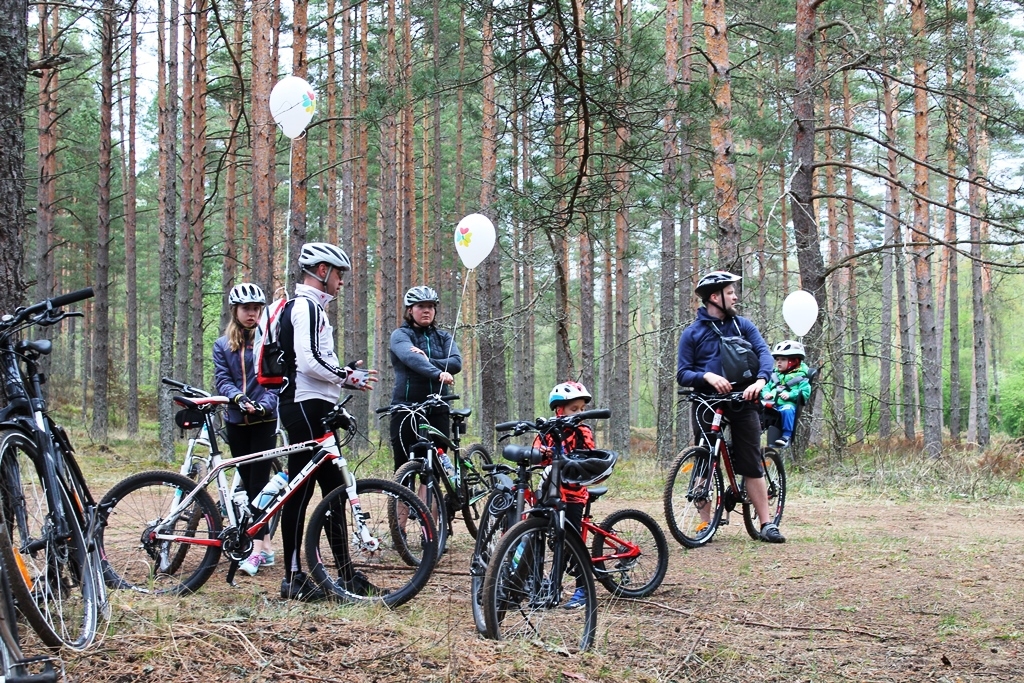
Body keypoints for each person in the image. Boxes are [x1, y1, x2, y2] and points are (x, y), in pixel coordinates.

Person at [276, 242, 378, 600]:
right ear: (322, 271)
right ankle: (293, 577)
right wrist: (347, 376)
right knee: (300, 495)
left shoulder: (308, 307)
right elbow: (308, 361)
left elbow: (314, 360)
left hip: (313, 405)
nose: (342, 283)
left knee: (333, 492)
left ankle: (346, 575)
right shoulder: (305, 307)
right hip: (304, 405)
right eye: (339, 275)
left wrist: (343, 373)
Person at [676, 270, 785, 544]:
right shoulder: (692, 334)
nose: (735, 296)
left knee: (750, 460)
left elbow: (764, 354)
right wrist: (706, 377)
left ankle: (766, 523)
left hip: (743, 399)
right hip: (706, 401)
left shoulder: (743, 326)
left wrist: (760, 381)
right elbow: (683, 373)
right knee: (703, 458)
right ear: (715, 297)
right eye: (729, 292)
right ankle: (704, 524)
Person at [212, 283, 279, 577]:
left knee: (258, 485)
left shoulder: (270, 341)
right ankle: (260, 543)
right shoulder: (222, 345)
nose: (252, 314)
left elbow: (277, 380)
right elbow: (222, 379)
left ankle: (257, 548)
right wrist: (238, 399)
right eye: (246, 309)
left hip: (264, 421)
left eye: (256, 309)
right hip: (236, 420)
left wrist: (264, 405)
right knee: (245, 482)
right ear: (235, 312)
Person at [533, 381, 597, 610]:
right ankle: (546, 583)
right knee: (546, 536)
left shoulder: (583, 431)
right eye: (573, 409)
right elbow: (536, 453)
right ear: (558, 410)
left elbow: (589, 455)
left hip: (574, 494)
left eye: (581, 409)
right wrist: (542, 453)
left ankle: (583, 588)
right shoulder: (548, 431)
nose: (579, 414)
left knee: (571, 542)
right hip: (551, 492)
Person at [388, 286, 462, 471]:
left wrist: (428, 360)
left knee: (435, 466)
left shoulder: (443, 337)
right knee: (404, 465)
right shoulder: (401, 335)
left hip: (438, 407)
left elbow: (455, 363)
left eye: (430, 306)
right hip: (406, 407)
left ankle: (431, 500)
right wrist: (438, 373)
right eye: (420, 306)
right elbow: (411, 359)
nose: (426, 310)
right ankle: (402, 500)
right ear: (410, 310)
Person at [761, 340, 812, 449]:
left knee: (787, 409)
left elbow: (805, 392)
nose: (778, 362)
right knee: (756, 408)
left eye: (783, 359)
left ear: (794, 361)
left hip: (786, 405)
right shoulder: (775, 375)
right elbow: (766, 387)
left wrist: (790, 395)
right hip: (772, 404)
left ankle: (786, 436)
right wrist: (766, 393)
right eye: (777, 359)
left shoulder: (801, 377)